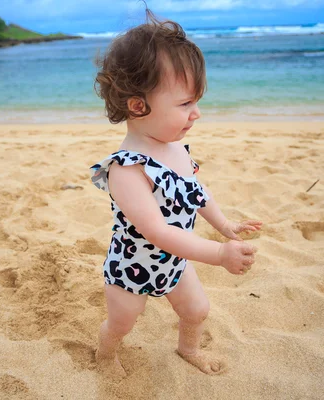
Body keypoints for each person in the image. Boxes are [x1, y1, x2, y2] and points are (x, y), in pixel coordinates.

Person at [90, 9, 262, 377]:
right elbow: (158, 232)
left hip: (174, 261)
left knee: (197, 310)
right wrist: (218, 254)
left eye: (196, 102)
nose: (196, 114)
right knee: (123, 322)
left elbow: (196, 191)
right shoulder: (127, 169)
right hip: (132, 268)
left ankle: (188, 349)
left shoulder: (177, 150)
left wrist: (224, 224)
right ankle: (105, 353)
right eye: (185, 104)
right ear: (138, 105)